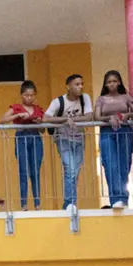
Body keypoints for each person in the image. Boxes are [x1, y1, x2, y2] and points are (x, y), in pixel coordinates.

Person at [43, 73, 91, 211]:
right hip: (63, 139)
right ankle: (69, 203)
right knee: (70, 169)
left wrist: (73, 121)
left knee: (75, 171)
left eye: (82, 84)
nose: (80, 87)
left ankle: (70, 202)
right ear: (68, 86)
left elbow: (89, 116)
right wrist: (65, 120)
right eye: (77, 84)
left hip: (79, 139)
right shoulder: (58, 101)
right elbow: (45, 118)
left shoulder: (85, 98)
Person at [93, 70, 133, 209]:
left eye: (114, 81)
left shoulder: (126, 96)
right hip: (107, 131)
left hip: (124, 130)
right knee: (110, 164)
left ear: (119, 82)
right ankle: (115, 199)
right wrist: (109, 118)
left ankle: (124, 199)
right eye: (109, 82)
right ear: (105, 85)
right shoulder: (101, 99)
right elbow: (97, 117)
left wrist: (127, 115)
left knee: (124, 164)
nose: (112, 84)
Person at [0, 80, 47, 211]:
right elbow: (1, 119)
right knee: (23, 171)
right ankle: (24, 205)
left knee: (35, 172)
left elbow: (43, 130)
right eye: (27, 95)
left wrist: (39, 122)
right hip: (22, 137)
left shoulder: (38, 109)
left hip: (36, 138)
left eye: (32, 95)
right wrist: (18, 115)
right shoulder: (16, 107)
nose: (30, 98)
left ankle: (37, 204)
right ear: (22, 95)